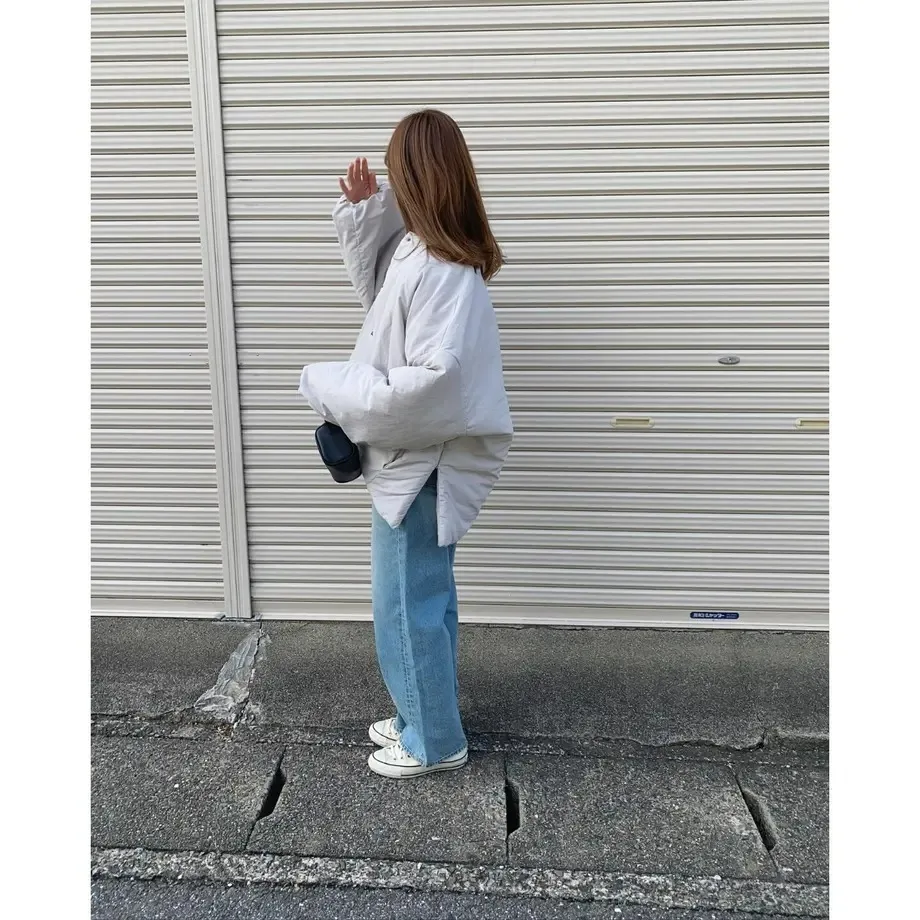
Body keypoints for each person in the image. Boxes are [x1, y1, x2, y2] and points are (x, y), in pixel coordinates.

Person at [298, 110, 514, 779]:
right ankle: (423, 710)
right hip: (417, 461)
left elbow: (428, 389)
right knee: (424, 599)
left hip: (420, 464)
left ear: (417, 177)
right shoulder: (425, 251)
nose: (390, 181)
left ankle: (434, 741)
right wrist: (367, 215)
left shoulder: (444, 270)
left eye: (397, 172)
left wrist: (327, 384)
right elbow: (384, 300)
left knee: (405, 605)